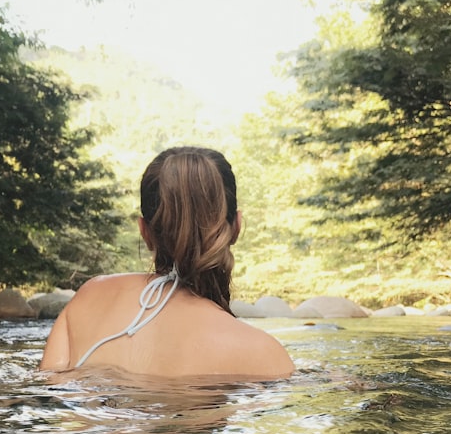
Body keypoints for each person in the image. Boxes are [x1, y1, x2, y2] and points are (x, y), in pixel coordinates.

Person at [39, 146, 294, 380]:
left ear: (144, 232)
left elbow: (49, 383)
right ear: (236, 227)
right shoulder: (263, 354)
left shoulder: (90, 295)